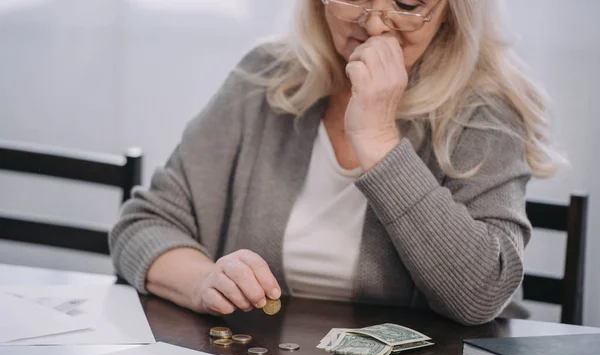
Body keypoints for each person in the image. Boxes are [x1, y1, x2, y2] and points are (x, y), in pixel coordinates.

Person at [110, 0, 562, 326]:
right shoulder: (264, 77)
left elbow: (482, 294)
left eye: (408, 3)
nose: (375, 23)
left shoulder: (485, 112)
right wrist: (203, 281)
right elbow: (142, 226)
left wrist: (379, 140)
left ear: (450, 11)